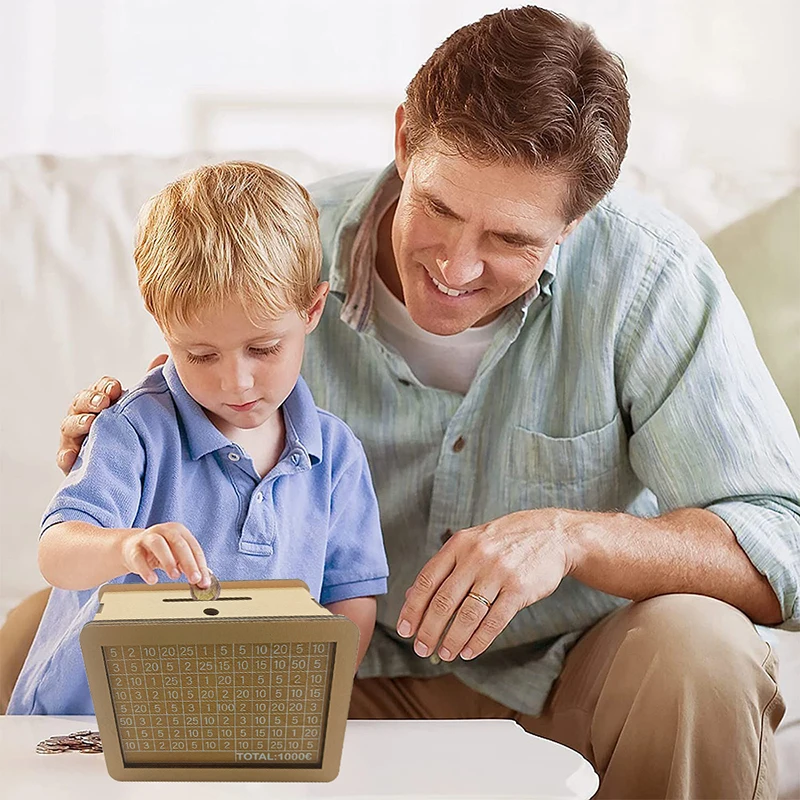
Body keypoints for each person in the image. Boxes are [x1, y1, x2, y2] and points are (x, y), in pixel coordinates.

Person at [8, 5, 800, 797]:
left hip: (571, 672)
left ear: (578, 219)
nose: (455, 267)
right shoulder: (280, 249)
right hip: (323, 671)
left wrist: (573, 538)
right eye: (442, 209)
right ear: (402, 142)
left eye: (511, 240)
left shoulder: (650, 280)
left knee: (702, 647)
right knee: (36, 636)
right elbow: (189, 389)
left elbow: (782, 540)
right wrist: (124, 420)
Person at [6, 161, 389, 715]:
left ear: (310, 311)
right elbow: (57, 551)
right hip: (89, 726)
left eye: (263, 349)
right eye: (201, 355)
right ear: (164, 330)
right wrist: (123, 547)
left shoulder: (336, 456)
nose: (236, 382)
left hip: (239, 727)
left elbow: (349, 596)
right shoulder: (133, 429)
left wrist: (311, 692)